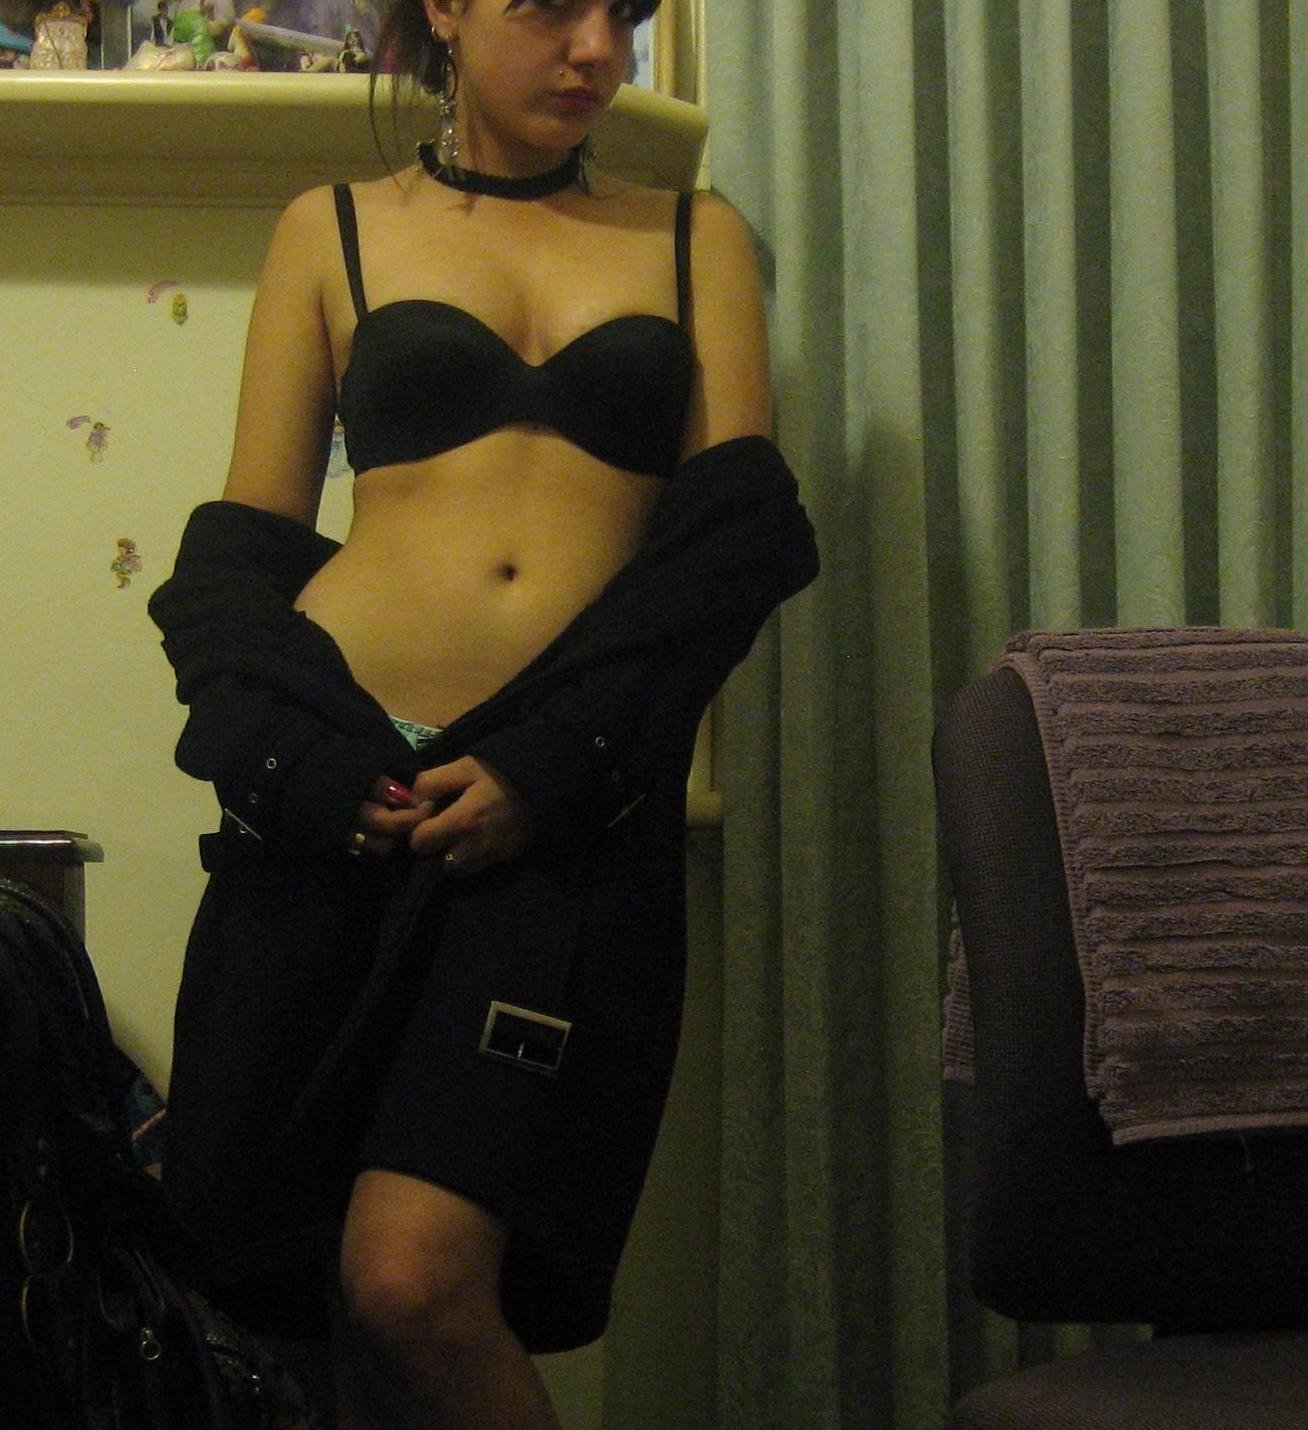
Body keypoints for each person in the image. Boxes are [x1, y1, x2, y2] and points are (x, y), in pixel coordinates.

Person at [146, 1, 818, 1426]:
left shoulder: (694, 239)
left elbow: (730, 557)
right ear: (445, 7)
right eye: (549, 6)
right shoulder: (329, 228)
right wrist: (303, 767)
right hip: (344, 803)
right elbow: (241, 560)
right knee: (304, 1306)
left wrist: (561, 761)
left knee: (415, 1280)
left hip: (554, 818)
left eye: (621, 13)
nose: (597, 51)